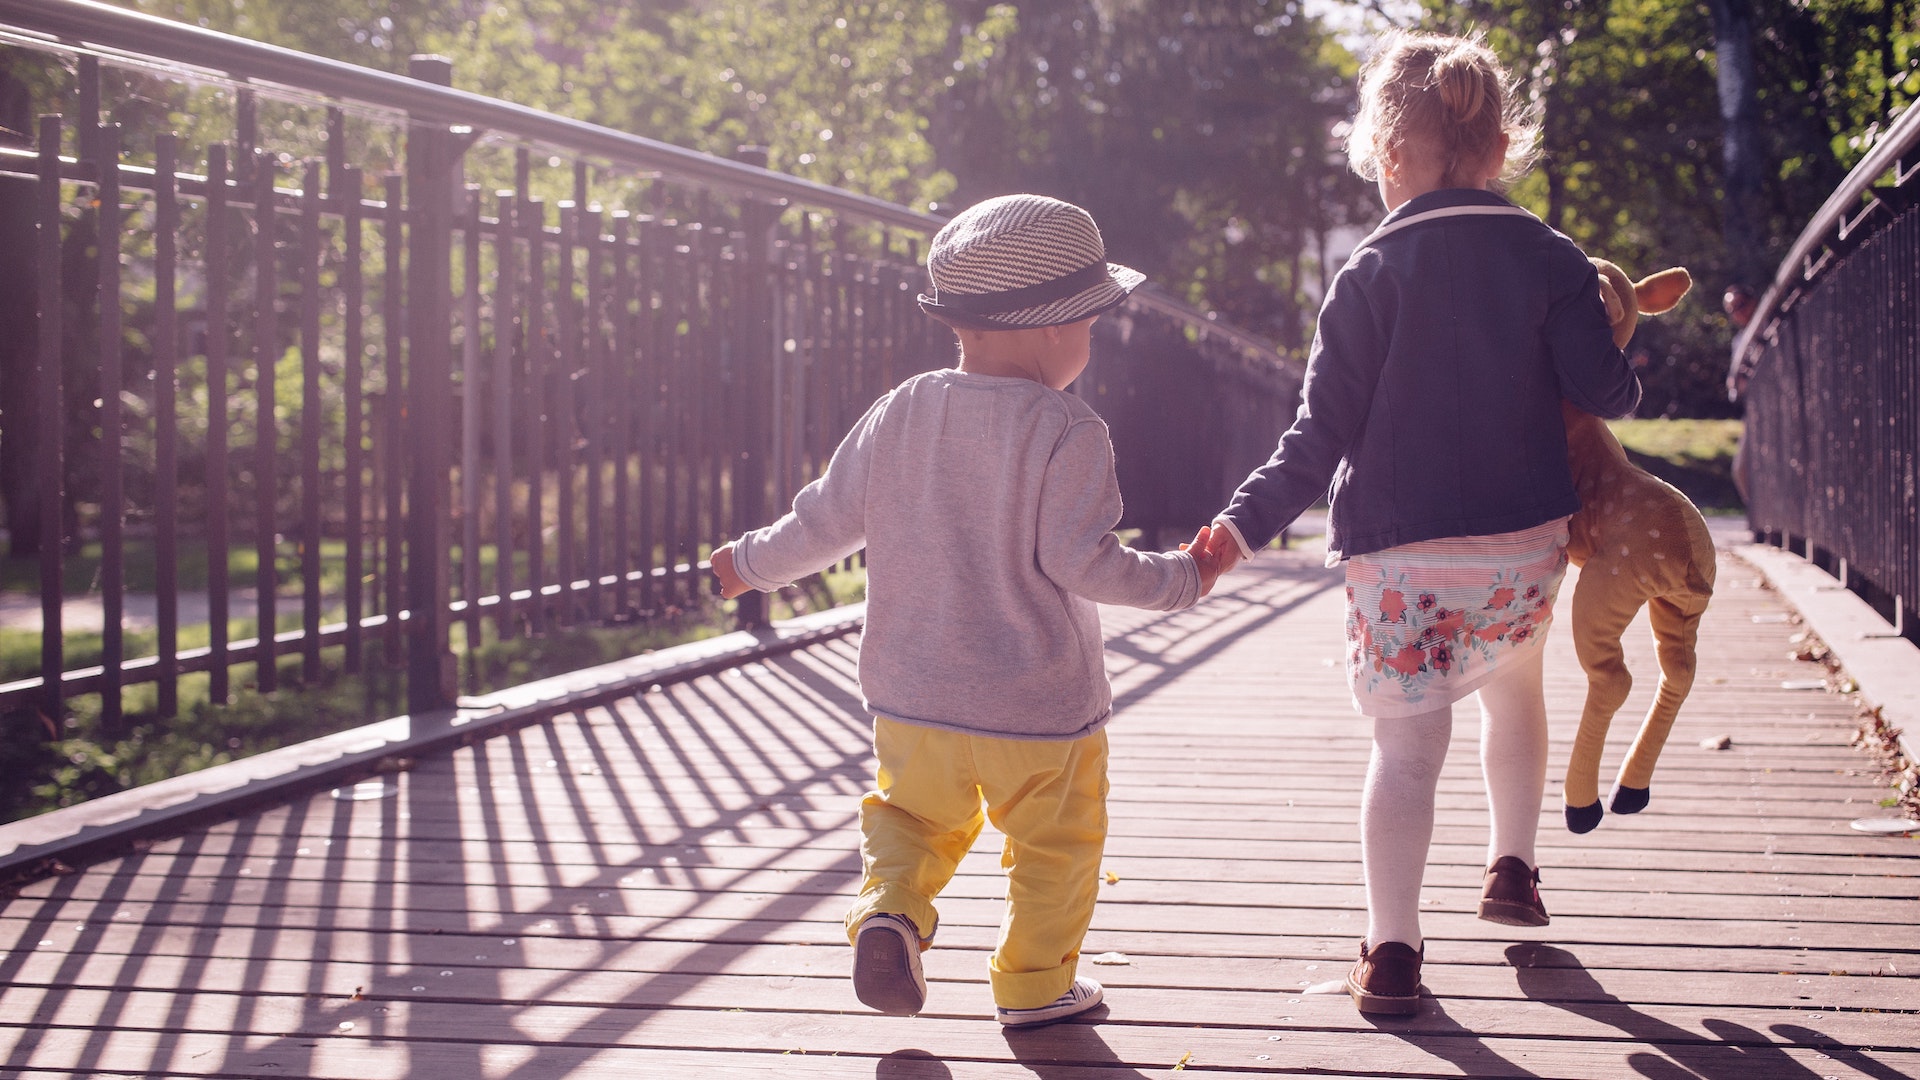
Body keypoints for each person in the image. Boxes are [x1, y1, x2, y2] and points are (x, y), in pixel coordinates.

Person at [1195, 31, 1642, 1015]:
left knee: (1405, 749)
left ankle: (1392, 951)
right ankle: (1513, 869)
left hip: (1398, 554)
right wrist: (1615, 323)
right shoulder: (1550, 257)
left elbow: (1316, 437)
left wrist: (1237, 529)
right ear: (1498, 148)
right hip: (1520, 543)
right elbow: (1608, 391)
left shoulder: (1368, 274)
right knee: (1514, 688)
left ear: (1392, 155)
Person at [709, 193, 1224, 1028]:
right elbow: (1081, 562)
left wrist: (747, 564)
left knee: (910, 820)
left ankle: (891, 915)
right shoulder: (1070, 428)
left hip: (914, 697)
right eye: (1090, 324)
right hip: (1041, 710)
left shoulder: (901, 409)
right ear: (1055, 329)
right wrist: (1183, 579)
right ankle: (1033, 984)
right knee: (1054, 849)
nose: (1089, 343)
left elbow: (824, 522)